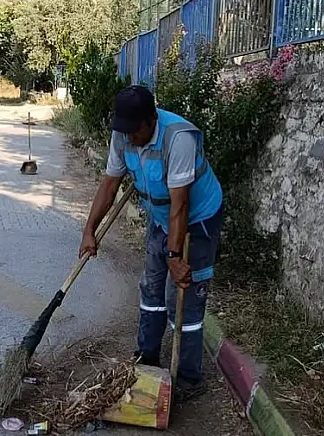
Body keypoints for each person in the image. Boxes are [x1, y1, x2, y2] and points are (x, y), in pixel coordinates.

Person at [79, 85, 224, 400]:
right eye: (125, 131)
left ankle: (188, 379)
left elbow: (181, 205)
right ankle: (146, 358)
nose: (129, 138)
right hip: (161, 216)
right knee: (152, 288)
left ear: (151, 120)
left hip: (197, 219)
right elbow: (109, 184)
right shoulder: (123, 133)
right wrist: (89, 229)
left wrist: (175, 255)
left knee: (182, 298)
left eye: (135, 131)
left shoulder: (179, 139)